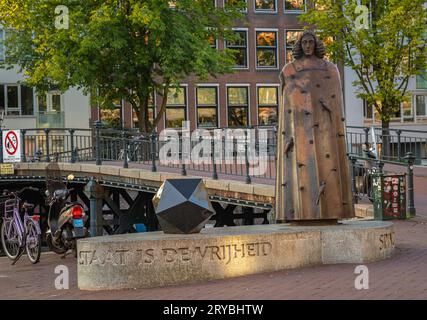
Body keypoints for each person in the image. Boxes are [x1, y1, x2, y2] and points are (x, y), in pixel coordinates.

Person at [275, 31, 354, 223]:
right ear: (299, 46)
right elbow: (288, 105)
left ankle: (331, 211)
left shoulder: (331, 69)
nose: (308, 46)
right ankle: (299, 210)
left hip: (325, 128)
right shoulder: (289, 70)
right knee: (302, 168)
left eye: (311, 42)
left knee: (328, 165)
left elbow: (334, 100)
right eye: (304, 43)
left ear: (316, 44)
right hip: (300, 129)